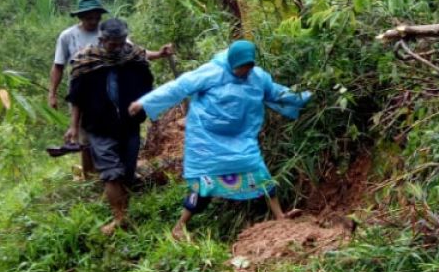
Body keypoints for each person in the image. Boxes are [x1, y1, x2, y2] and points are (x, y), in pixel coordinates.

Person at [129, 39, 311, 240]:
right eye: (241, 67)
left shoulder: (258, 78)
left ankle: (280, 217)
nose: (244, 71)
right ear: (232, 62)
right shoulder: (210, 72)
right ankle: (179, 226)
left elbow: (278, 93)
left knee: (260, 173)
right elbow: (177, 88)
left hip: (241, 139)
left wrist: (309, 96)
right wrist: (144, 102)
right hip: (207, 140)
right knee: (203, 184)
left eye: (248, 67)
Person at [49, 0, 173, 175]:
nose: (93, 21)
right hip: (84, 91)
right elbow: (58, 66)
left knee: (115, 130)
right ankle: (91, 174)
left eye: (96, 17)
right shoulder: (68, 36)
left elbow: (135, 52)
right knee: (87, 137)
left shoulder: (112, 33)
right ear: (80, 17)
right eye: (89, 17)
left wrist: (160, 54)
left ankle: (115, 172)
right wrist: (52, 93)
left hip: (113, 89)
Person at [65, 18, 155, 235]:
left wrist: (151, 112)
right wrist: (73, 127)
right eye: (112, 43)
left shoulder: (134, 59)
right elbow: (76, 98)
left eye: (121, 42)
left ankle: (124, 211)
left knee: (127, 171)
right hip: (99, 125)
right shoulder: (86, 62)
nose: (117, 47)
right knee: (111, 173)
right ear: (102, 39)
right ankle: (120, 217)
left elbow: (149, 89)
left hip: (129, 125)